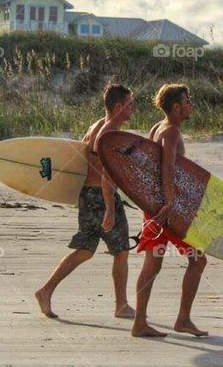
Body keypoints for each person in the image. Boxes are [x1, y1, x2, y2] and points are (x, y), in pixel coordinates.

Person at [34, 84, 136, 320]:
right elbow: (106, 174)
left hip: (87, 195)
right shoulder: (111, 133)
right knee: (121, 251)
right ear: (119, 107)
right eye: (130, 104)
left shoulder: (95, 126)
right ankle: (121, 306)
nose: (133, 108)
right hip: (102, 196)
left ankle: (46, 290)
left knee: (85, 250)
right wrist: (110, 208)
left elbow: (81, 159)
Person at [130, 83, 208, 338]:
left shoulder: (156, 127)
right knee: (198, 259)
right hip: (168, 209)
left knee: (152, 264)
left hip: (154, 206)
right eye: (188, 101)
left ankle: (140, 323)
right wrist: (171, 203)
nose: (191, 105)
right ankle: (183, 320)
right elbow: (166, 167)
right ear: (176, 107)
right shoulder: (171, 132)